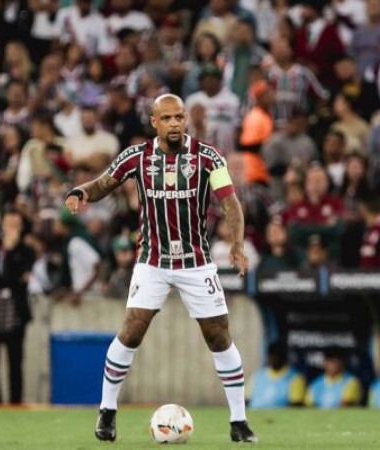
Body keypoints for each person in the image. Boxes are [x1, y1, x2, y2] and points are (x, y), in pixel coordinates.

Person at [64, 94, 258, 443]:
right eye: (166, 118)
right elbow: (105, 182)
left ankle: (239, 422)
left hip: (196, 262)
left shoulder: (208, 157)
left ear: (186, 120)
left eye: (179, 118)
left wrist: (238, 244)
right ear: (154, 122)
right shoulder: (138, 156)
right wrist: (80, 191)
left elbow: (230, 203)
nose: (173, 124)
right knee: (132, 330)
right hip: (152, 261)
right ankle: (107, 411)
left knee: (218, 335)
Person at [0, 210, 35, 405]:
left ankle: (15, 402)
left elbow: (20, 281)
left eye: (15, 224)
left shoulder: (26, 252)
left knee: (15, 362)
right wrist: (7, 280)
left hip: (15, 310)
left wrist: (10, 252)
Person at [248, 341, 306, 408]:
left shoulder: (295, 378)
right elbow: (244, 399)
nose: (273, 359)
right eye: (271, 356)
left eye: (276, 356)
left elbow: (296, 408)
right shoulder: (258, 376)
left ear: (283, 357)